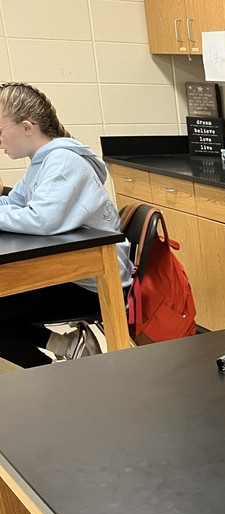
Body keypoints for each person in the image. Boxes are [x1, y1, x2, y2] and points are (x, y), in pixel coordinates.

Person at [0, 82, 132, 367]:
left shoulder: (64, 161)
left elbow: (40, 219)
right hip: (70, 270)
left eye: (0, 131)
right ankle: (64, 347)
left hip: (96, 281)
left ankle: (49, 374)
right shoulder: (41, 161)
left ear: (27, 127)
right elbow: (15, 204)